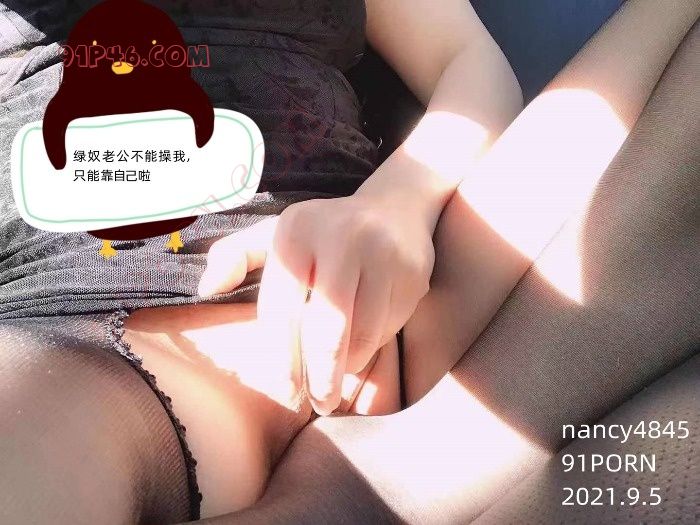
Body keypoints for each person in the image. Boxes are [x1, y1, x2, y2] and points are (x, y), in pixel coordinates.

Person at [0, 2, 698, 525]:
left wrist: (398, 203)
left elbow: (466, 63)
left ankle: (379, 479)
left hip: (395, 279)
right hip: (77, 313)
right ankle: (362, 491)